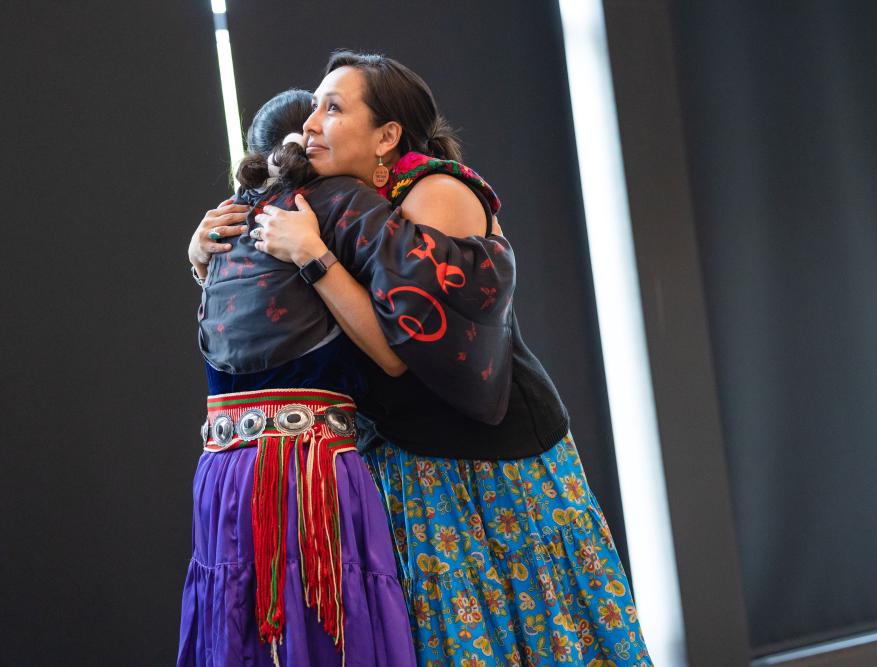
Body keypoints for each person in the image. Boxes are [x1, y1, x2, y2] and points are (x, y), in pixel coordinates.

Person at [195, 50, 650, 666]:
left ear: (386, 136)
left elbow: (398, 348)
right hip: (404, 461)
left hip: (490, 460)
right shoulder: (338, 204)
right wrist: (205, 256)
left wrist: (312, 256)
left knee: (539, 633)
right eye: (312, 110)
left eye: (333, 108)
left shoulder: (436, 191)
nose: (310, 125)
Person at [179, 89, 416, 667]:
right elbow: (396, 350)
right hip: (306, 475)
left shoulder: (227, 220)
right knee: (325, 621)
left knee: (235, 625)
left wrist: (196, 261)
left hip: (220, 474)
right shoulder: (341, 202)